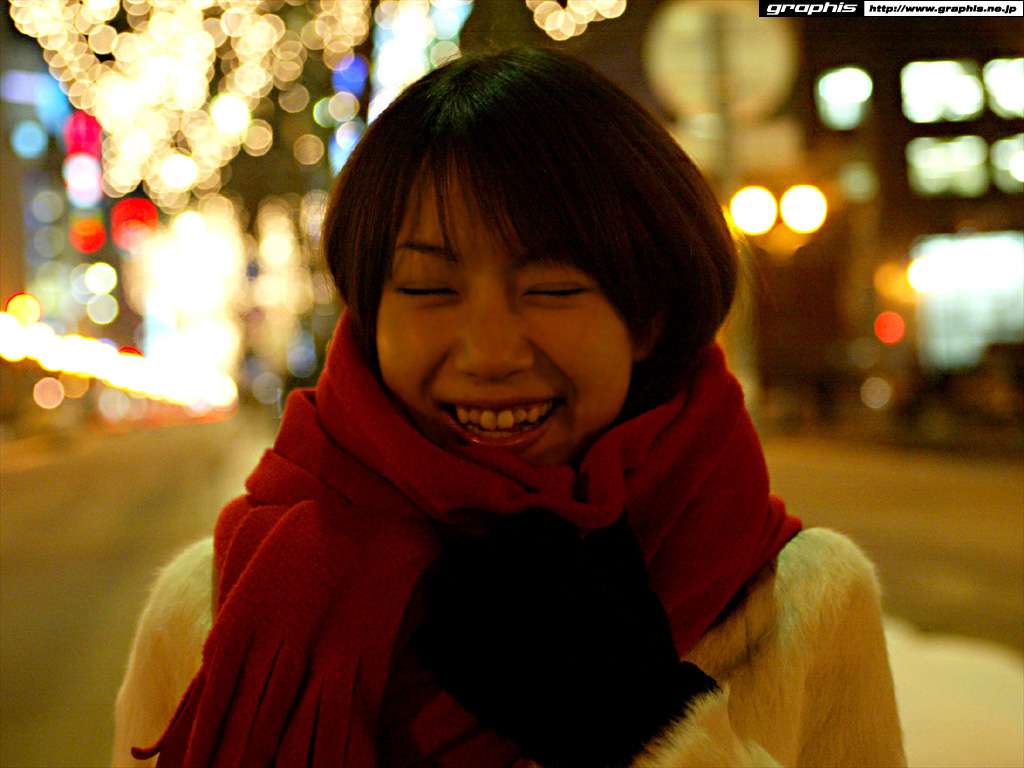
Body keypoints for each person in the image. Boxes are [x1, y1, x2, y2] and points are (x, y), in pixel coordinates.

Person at [113, 48, 905, 767]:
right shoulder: (219, 605)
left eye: (552, 288)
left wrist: (651, 731)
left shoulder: (801, 600)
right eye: (431, 289)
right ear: (369, 317)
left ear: (647, 317)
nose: (490, 353)